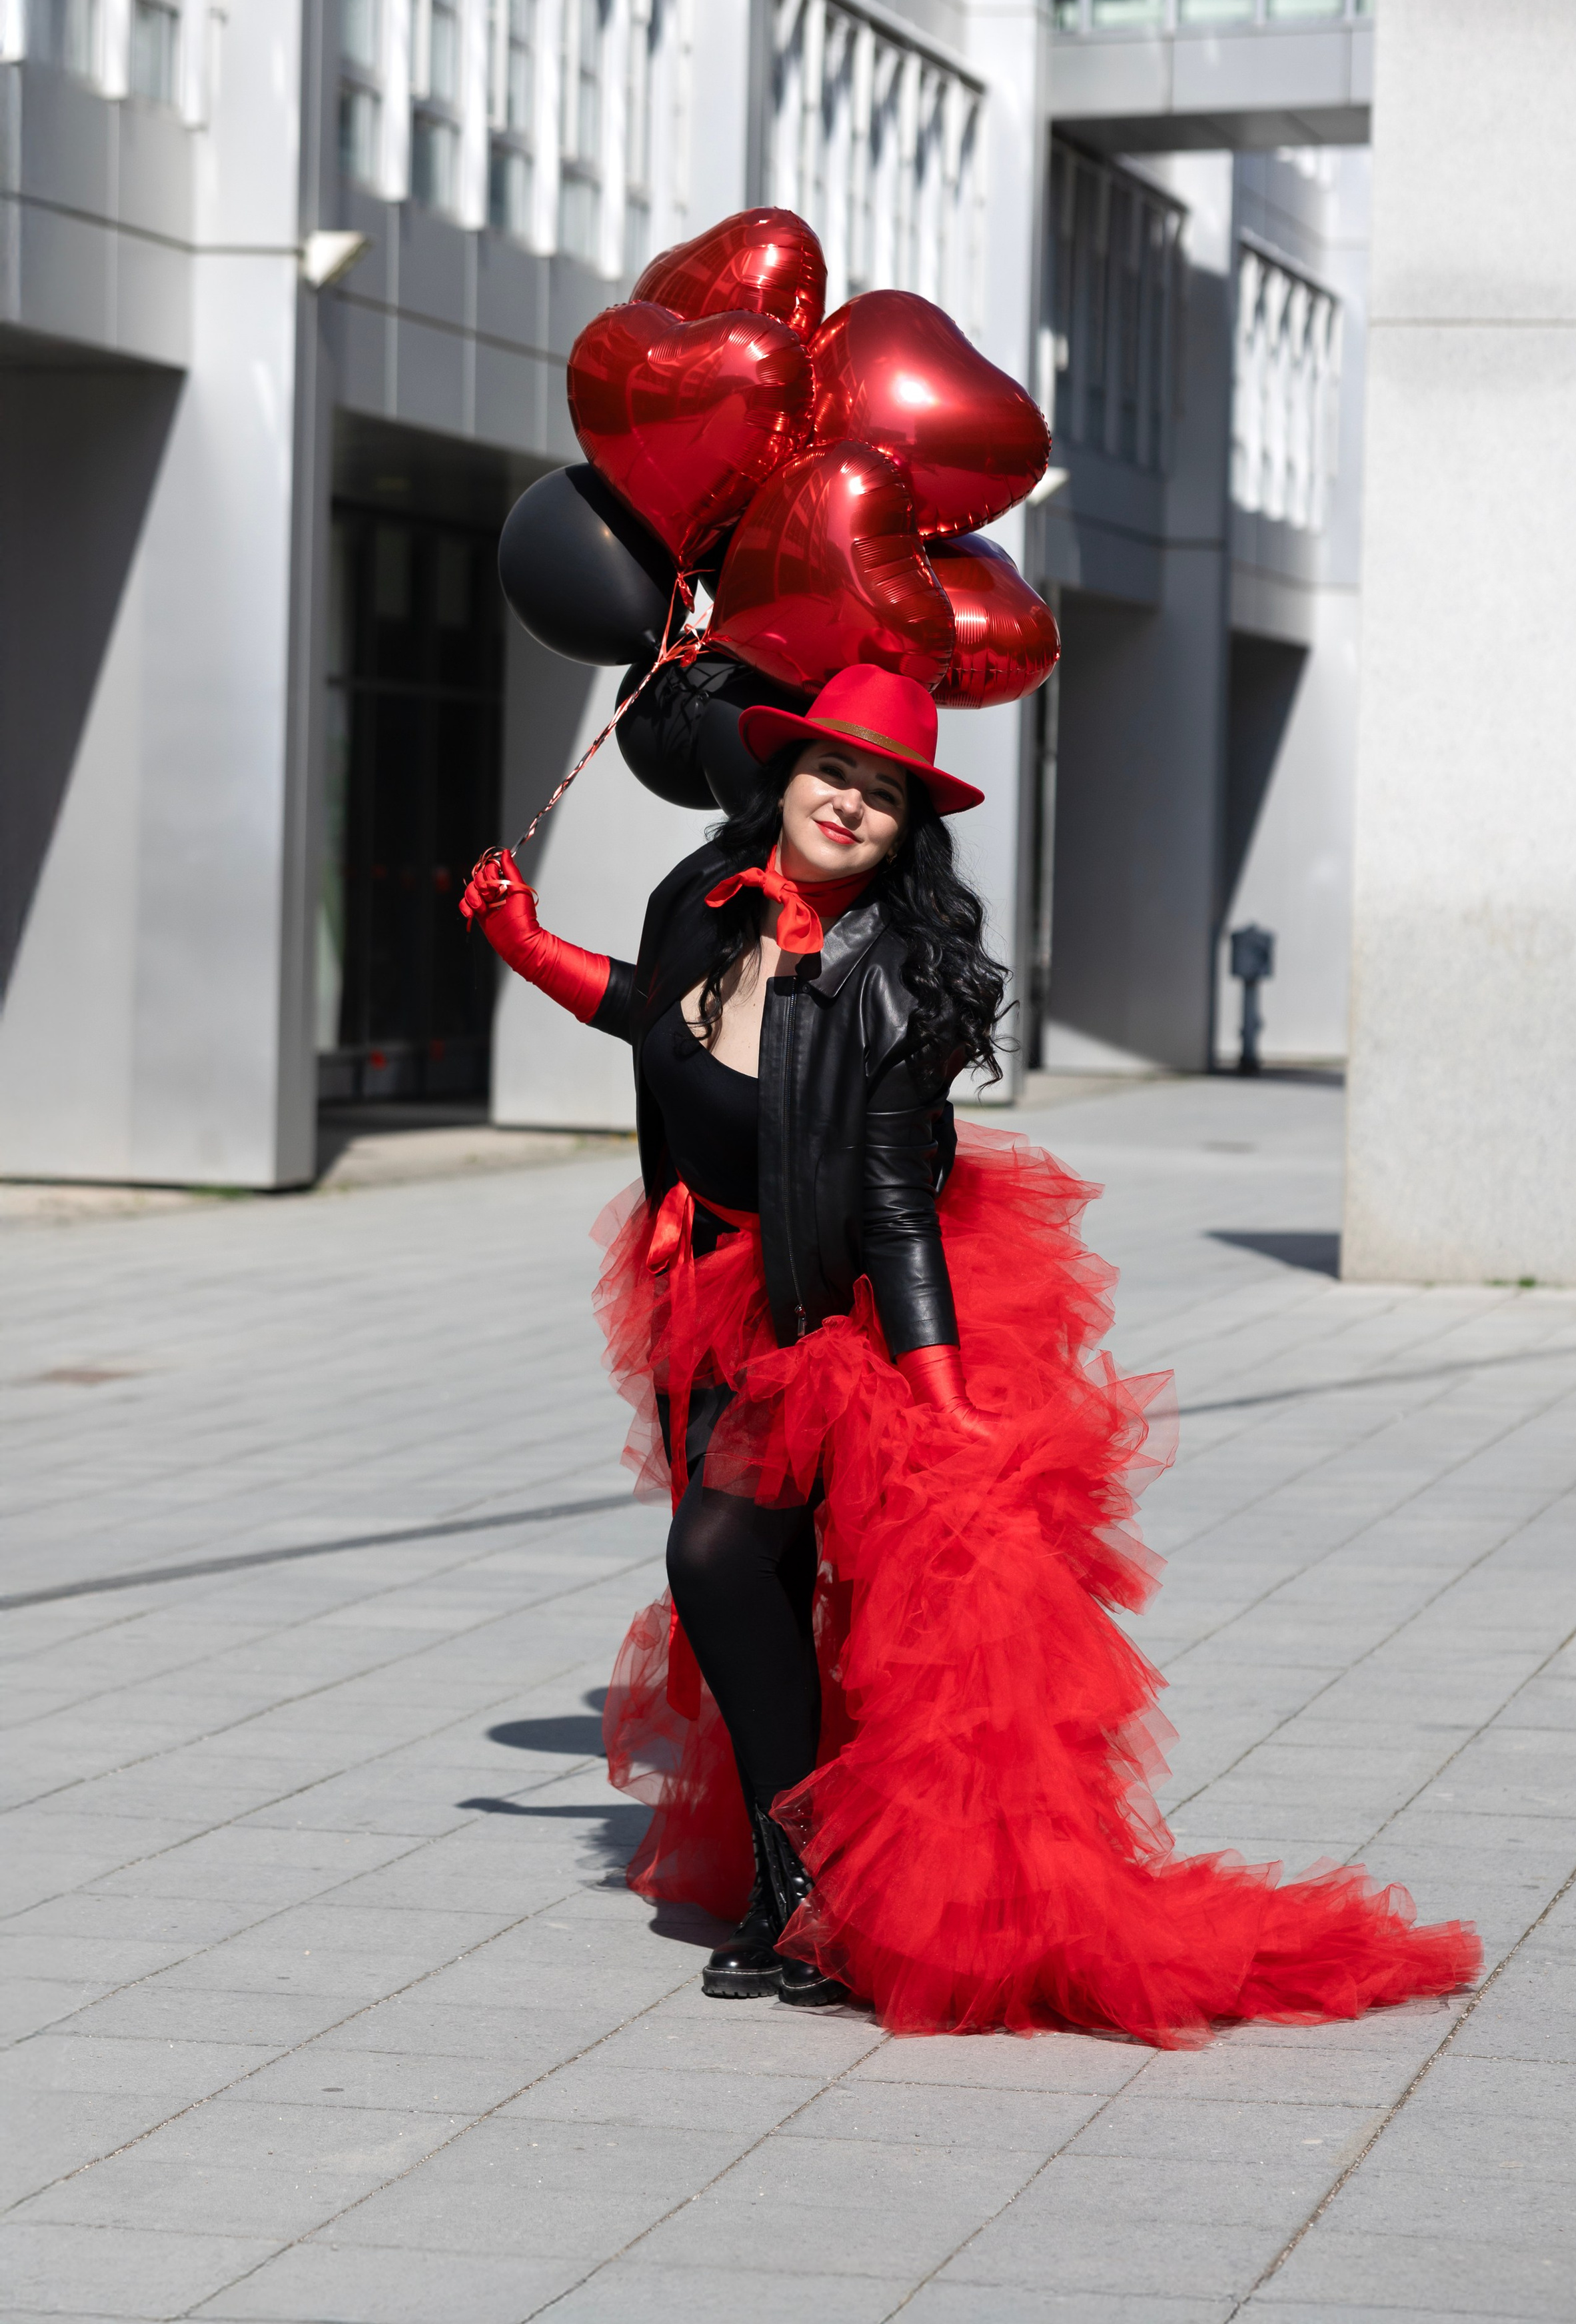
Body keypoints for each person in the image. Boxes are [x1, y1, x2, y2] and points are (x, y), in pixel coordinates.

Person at [460, 663, 1479, 2039]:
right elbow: (662, 1022)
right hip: (700, 1292)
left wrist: (939, 1400)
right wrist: (526, 947)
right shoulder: (696, 901)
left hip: (839, 1317)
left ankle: (808, 1881)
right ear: (782, 778)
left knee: (714, 1554)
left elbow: (890, 1207)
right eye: (833, 774)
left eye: (883, 796)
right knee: (754, 1570)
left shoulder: (901, 980)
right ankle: (792, 1874)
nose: (849, 806)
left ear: (905, 830)